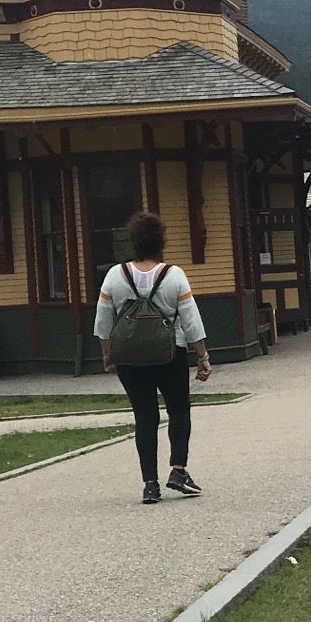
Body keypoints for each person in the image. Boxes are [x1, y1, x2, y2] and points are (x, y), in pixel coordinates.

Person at [95, 211, 213, 505]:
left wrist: (108, 355)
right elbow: (191, 320)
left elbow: (103, 322)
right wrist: (202, 356)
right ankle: (179, 470)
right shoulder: (174, 275)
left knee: (145, 416)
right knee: (179, 410)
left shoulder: (115, 276)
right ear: (161, 242)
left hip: (129, 358)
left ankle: (150, 484)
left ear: (133, 242)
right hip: (170, 352)